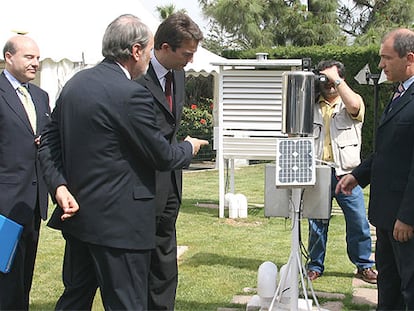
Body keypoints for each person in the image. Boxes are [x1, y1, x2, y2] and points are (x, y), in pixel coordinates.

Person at [38, 14, 208, 310]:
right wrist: (188, 147)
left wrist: (59, 185)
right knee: (127, 303)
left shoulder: (76, 83)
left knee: (75, 300)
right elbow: (163, 155)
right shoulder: (131, 94)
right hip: (121, 227)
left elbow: (47, 142)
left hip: (80, 219)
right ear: (136, 51)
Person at [336, 28, 414, 309]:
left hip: (404, 221)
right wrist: (358, 176)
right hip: (386, 216)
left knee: (409, 290)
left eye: (386, 58)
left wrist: (408, 216)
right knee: (389, 285)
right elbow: (388, 151)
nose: (380, 65)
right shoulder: (400, 93)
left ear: (410, 58)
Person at [135, 12, 203, 310]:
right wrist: (186, 150)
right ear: (164, 47)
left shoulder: (179, 74)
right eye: (186, 54)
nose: (190, 60)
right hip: (142, 182)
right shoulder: (136, 77)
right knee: (140, 259)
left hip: (171, 183)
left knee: (165, 257)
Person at [306, 60, 377, 284]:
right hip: (318, 171)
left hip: (346, 173)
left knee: (358, 221)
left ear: (341, 79)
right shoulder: (310, 105)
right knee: (316, 222)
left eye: (332, 79)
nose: (328, 84)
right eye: (324, 79)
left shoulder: (351, 102)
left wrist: (337, 79)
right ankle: (314, 266)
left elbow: (355, 107)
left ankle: (363, 265)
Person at [0, 35, 50, 309]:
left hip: (33, 203)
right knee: (3, 274)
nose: (36, 63)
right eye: (29, 57)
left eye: (38, 58)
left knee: (24, 276)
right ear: (9, 57)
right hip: (4, 205)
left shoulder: (40, 97)